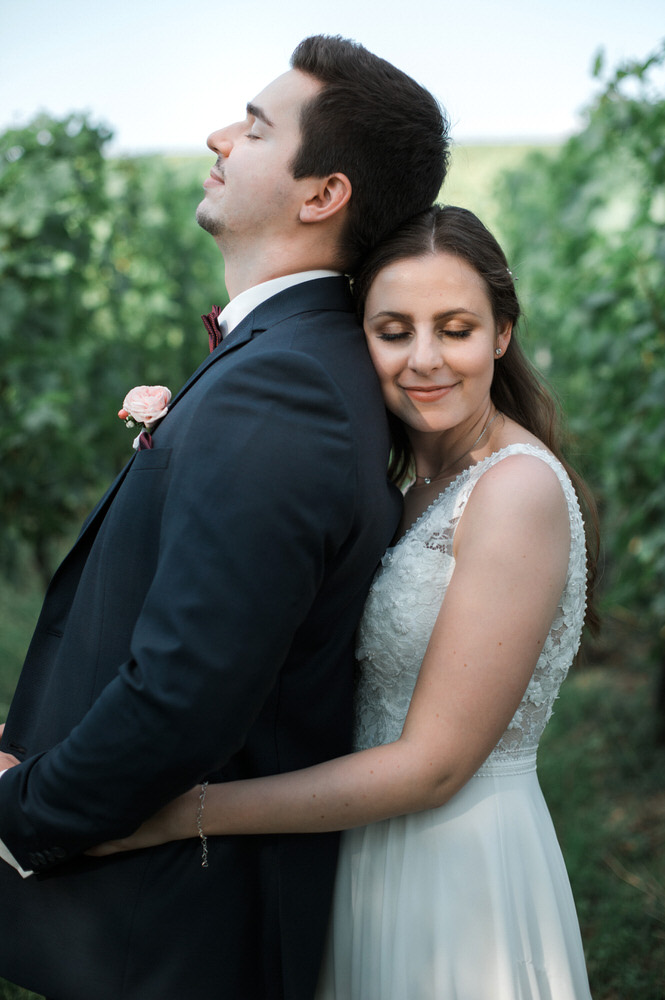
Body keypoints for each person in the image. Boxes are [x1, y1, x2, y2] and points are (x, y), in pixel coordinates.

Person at [0, 36, 449, 1000]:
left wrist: (20, 807)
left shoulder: (285, 382)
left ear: (321, 193)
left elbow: (187, 687)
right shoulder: (291, 358)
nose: (217, 137)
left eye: (252, 126)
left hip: (172, 933)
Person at [91, 206, 599, 999]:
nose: (423, 359)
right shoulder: (404, 488)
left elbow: (433, 768)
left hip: (454, 866)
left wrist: (177, 813)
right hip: (354, 842)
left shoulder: (515, 491)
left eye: (455, 328)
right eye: (393, 330)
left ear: (501, 333)